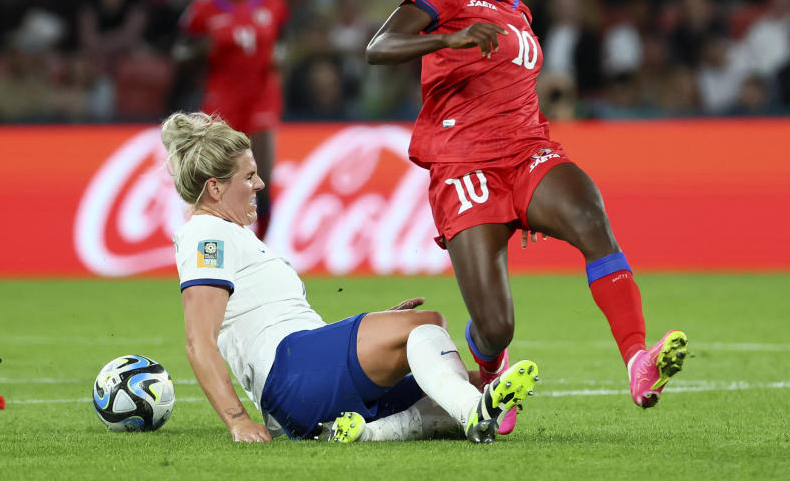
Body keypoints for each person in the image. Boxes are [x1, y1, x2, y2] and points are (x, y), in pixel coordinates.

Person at [365, 0, 688, 434]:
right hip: (465, 167)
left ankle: (638, 361)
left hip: (526, 153)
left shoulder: (519, 13)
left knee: (591, 219)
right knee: (496, 327)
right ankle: (492, 374)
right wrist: (447, 40)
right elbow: (378, 48)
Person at [160, 111, 540, 444]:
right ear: (214, 187)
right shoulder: (206, 234)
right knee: (428, 325)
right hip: (290, 373)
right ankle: (475, 412)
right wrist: (238, 421)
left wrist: (377, 326)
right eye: (250, 176)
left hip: (301, 382)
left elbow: (274, 321)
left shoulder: (231, 234)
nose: (260, 184)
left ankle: (366, 432)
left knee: (461, 383)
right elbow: (199, 342)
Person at [176, 0, 286, 240]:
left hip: (262, 100)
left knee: (261, 180)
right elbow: (179, 52)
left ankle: (262, 248)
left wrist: (282, 58)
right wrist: (199, 50)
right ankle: (218, 243)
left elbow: (284, 43)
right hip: (221, 104)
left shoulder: (274, 4)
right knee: (218, 183)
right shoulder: (204, 10)